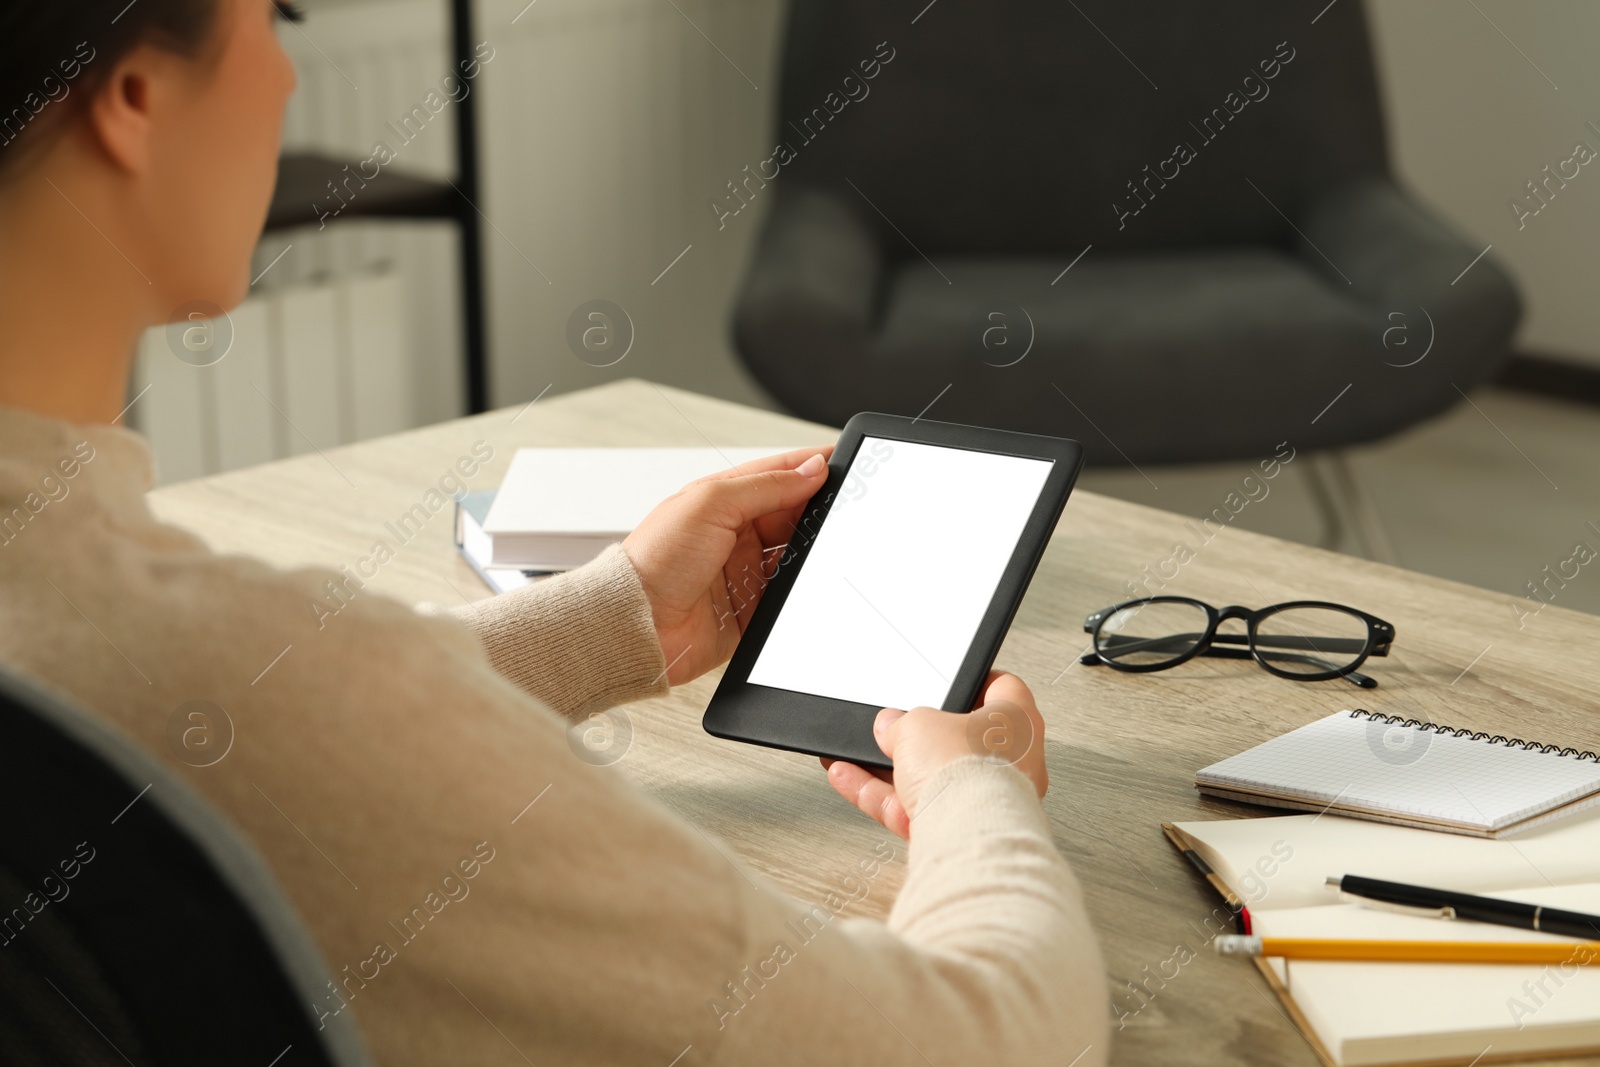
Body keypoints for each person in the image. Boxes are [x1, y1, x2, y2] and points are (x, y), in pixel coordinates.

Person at [0, 1, 1108, 1063]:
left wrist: (615, 614)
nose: (288, 77)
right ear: (134, 93)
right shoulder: (213, 662)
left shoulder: (80, 617)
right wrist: (977, 788)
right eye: (276, 15)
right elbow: (995, 1037)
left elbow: (250, 717)